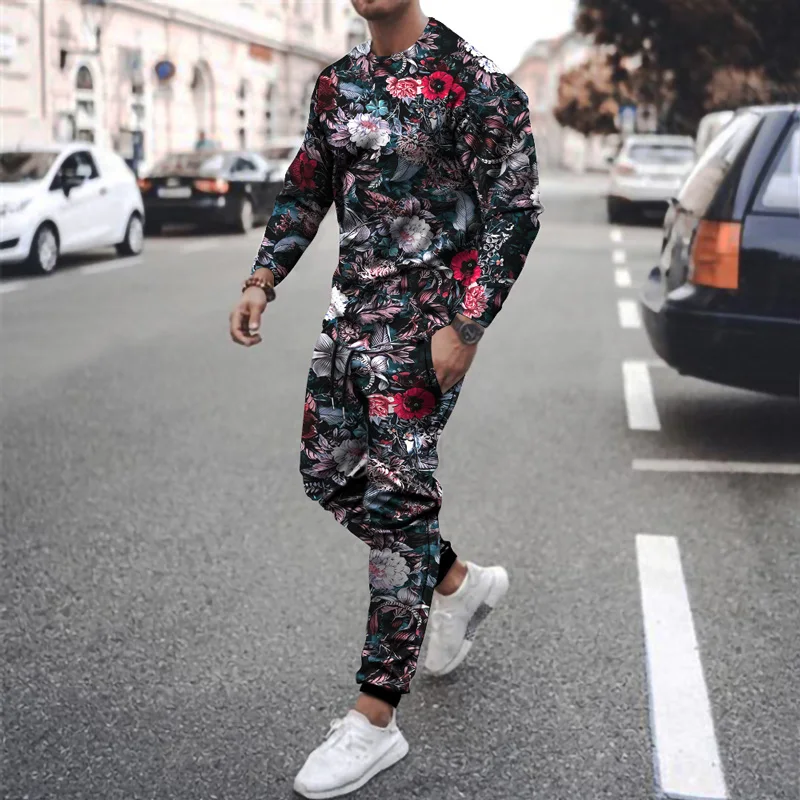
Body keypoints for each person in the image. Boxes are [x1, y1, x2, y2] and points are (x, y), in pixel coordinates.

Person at [229, 1, 542, 796]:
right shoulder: (338, 85)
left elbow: (514, 210)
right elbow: (307, 186)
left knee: (400, 505)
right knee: (327, 474)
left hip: (425, 332)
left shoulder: (476, 84)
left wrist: (468, 325)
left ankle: (374, 717)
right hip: (349, 319)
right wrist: (264, 277)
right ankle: (456, 581)